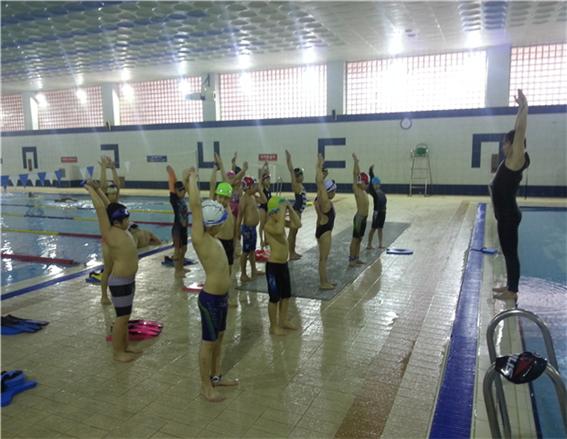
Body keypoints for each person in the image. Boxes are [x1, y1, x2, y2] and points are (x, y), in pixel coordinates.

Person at [186, 167, 238, 402]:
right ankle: (205, 386)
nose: (222, 227)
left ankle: (216, 377)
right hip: (210, 299)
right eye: (219, 224)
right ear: (212, 224)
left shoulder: (213, 238)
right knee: (208, 343)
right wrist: (192, 179)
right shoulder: (201, 239)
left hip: (222, 298)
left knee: (219, 339)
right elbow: (196, 207)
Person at [84, 181, 141, 363]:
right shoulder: (110, 233)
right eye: (126, 219)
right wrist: (90, 190)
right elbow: (101, 210)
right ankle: (118, 352)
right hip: (120, 282)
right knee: (121, 318)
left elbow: (109, 207)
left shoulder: (120, 229)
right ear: (117, 221)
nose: (128, 222)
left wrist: (98, 189)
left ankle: (125, 346)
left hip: (128, 280)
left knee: (125, 317)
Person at [490, 89, 530, 302]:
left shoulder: (516, 160)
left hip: (508, 216)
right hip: (504, 215)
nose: (504, 145)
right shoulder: (510, 161)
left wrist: (525, 107)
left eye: (506, 142)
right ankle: (509, 285)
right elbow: (517, 132)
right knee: (507, 252)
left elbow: (519, 132)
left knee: (511, 253)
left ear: (514, 145)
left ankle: (512, 291)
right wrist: (519, 110)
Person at [264, 196, 301, 335]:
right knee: (274, 298)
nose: (283, 215)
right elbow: (279, 231)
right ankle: (273, 326)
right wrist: (282, 209)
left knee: (286, 295)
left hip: (283, 265)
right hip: (273, 267)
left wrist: (289, 208)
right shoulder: (269, 225)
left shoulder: (279, 222)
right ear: (272, 212)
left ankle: (283, 320)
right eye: (281, 212)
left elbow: (297, 224)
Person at [210, 154, 238, 307]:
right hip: (219, 243)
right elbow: (212, 186)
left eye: (225, 198)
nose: (222, 200)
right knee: (219, 271)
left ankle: (225, 295)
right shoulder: (216, 208)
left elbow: (226, 183)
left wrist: (221, 164)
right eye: (219, 197)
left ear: (229, 198)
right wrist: (215, 169)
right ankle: (218, 295)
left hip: (229, 243)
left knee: (228, 272)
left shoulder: (228, 208)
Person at [98, 156, 121, 305]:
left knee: (116, 268)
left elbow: (117, 184)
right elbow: (102, 186)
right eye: (110, 193)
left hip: (117, 241)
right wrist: (103, 168)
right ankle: (103, 296)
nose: (113, 195)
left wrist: (112, 168)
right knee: (107, 269)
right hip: (107, 242)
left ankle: (115, 292)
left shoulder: (116, 204)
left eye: (114, 193)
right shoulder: (105, 205)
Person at [237, 176, 267, 282]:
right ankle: (243, 274)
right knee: (245, 252)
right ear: (248, 187)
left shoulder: (253, 196)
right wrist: (237, 231)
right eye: (254, 185)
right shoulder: (244, 199)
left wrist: (259, 190)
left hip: (253, 228)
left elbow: (264, 200)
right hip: (247, 229)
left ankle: (254, 270)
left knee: (252, 251)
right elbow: (239, 216)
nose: (256, 187)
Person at [314, 154, 337, 290]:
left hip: (321, 229)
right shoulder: (326, 202)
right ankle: (323, 283)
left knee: (323, 258)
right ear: (329, 191)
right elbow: (319, 183)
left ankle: (326, 281)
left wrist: (322, 174)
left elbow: (319, 184)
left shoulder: (320, 199)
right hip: (325, 232)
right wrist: (319, 165)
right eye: (334, 190)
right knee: (323, 259)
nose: (335, 193)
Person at [166, 165, 190, 277]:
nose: (183, 192)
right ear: (175, 191)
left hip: (183, 229)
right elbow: (172, 183)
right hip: (177, 229)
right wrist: (171, 172)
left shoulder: (182, 199)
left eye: (184, 190)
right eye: (180, 190)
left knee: (184, 249)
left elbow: (184, 184)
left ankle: (181, 267)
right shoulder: (174, 199)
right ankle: (177, 271)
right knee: (178, 251)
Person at [285, 150, 307, 260]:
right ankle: (291, 254)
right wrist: (289, 160)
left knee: (294, 232)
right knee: (292, 233)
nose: (303, 176)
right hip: (296, 212)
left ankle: (293, 252)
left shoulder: (300, 185)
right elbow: (291, 171)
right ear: (297, 177)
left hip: (298, 212)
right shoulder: (296, 185)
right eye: (301, 175)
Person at [349, 153, 370, 266]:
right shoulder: (357, 190)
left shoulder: (364, 191)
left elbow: (359, 176)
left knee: (360, 239)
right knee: (355, 239)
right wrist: (356, 162)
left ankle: (356, 258)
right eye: (365, 183)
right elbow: (355, 174)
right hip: (359, 219)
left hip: (364, 218)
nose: (366, 185)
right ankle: (351, 260)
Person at [366, 165, 387, 249]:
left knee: (380, 228)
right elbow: (371, 183)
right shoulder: (374, 193)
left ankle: (380, 244)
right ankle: (369, 244)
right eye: (375, 184)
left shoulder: (381, 192)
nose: (377, 185)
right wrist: (371, 172)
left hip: (383, 212)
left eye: (378, 184)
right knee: (373, 228)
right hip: (377, 213)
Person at [257, 161, 272, 248]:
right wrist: (263, 167)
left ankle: (267, 240)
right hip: (262, 208)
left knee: (267, 225)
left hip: (268, 208)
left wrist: (268, 166)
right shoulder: (261, 187)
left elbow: (268, 174)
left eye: (269, 179)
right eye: (267, 179)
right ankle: (261, 240)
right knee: (262, 225)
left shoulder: (268, 187)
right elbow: (260, 179)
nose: (268, 180)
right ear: (263, 181)